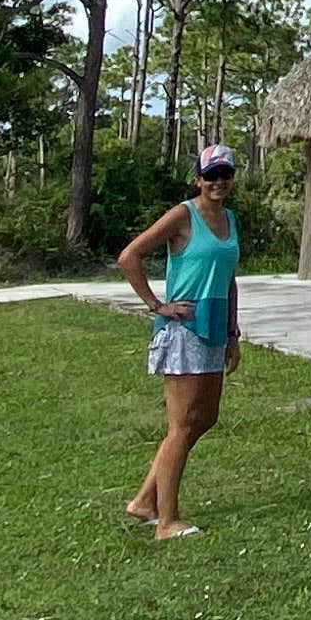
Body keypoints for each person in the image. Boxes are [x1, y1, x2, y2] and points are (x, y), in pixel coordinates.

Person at [116, 145, 244, 540]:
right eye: (211, 175)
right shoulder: (182, 215)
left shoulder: (230, 219)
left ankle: (144, 501)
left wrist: (232, 333)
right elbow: (129, 256)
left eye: (225, 174)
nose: (218, 182)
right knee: (181, 426)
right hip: (184, 330)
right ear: (198, 179)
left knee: (204, 419)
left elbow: (229, 277)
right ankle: (166, 522)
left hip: (215, 324)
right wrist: (157, 305)